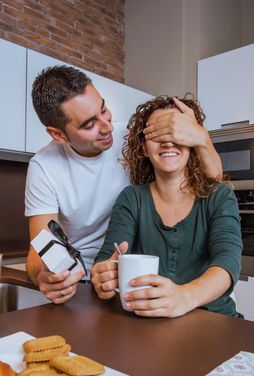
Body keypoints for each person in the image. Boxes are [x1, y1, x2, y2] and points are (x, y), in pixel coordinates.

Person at [25, 65, 223, 304]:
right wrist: (43, 277)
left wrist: (200, 135)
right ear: (58, 135)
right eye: (89, 125)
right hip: (85, 280)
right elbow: (41, 246)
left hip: (137, 272)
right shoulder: (44, 167)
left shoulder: (130, 136)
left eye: (104, 109)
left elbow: (213, 183)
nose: (107, 127)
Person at [91, 95, 243, 318]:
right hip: (147, 325)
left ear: (191, 142)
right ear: (143, 148)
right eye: (156, 134)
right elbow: (106, 258)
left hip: (215, 322)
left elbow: (227, 263)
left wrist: (185, 296)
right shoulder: (132, 198)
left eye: (175, 133)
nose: (168, 142)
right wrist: (102, 277)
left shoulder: (219, 196)